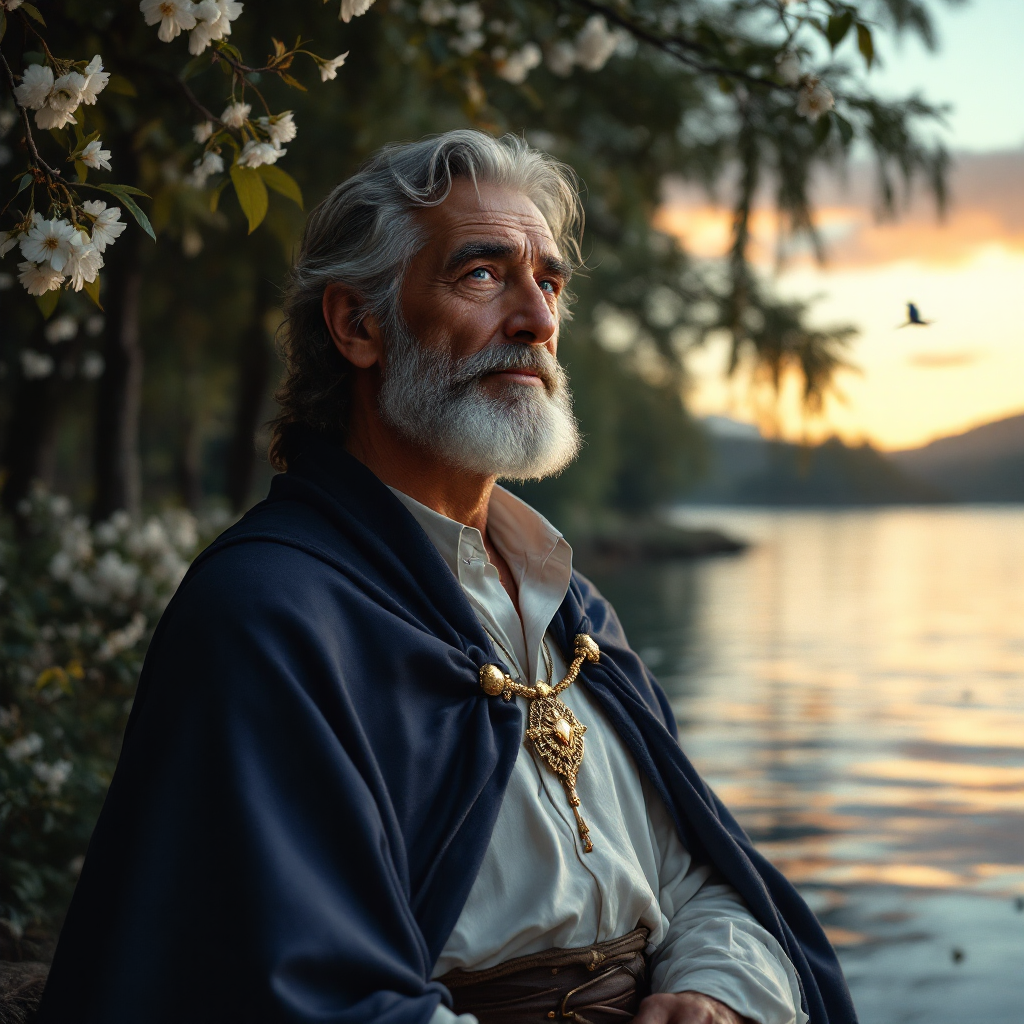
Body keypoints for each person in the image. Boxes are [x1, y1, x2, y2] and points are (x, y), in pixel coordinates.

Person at [38, 131, 857, 1024]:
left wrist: (713, 992)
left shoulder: (572, 608)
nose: (538, 320)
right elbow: (306, 994)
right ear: (358, 325)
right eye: (482, 274)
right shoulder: (268, 617)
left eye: (548, 281)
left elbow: (700, 878)